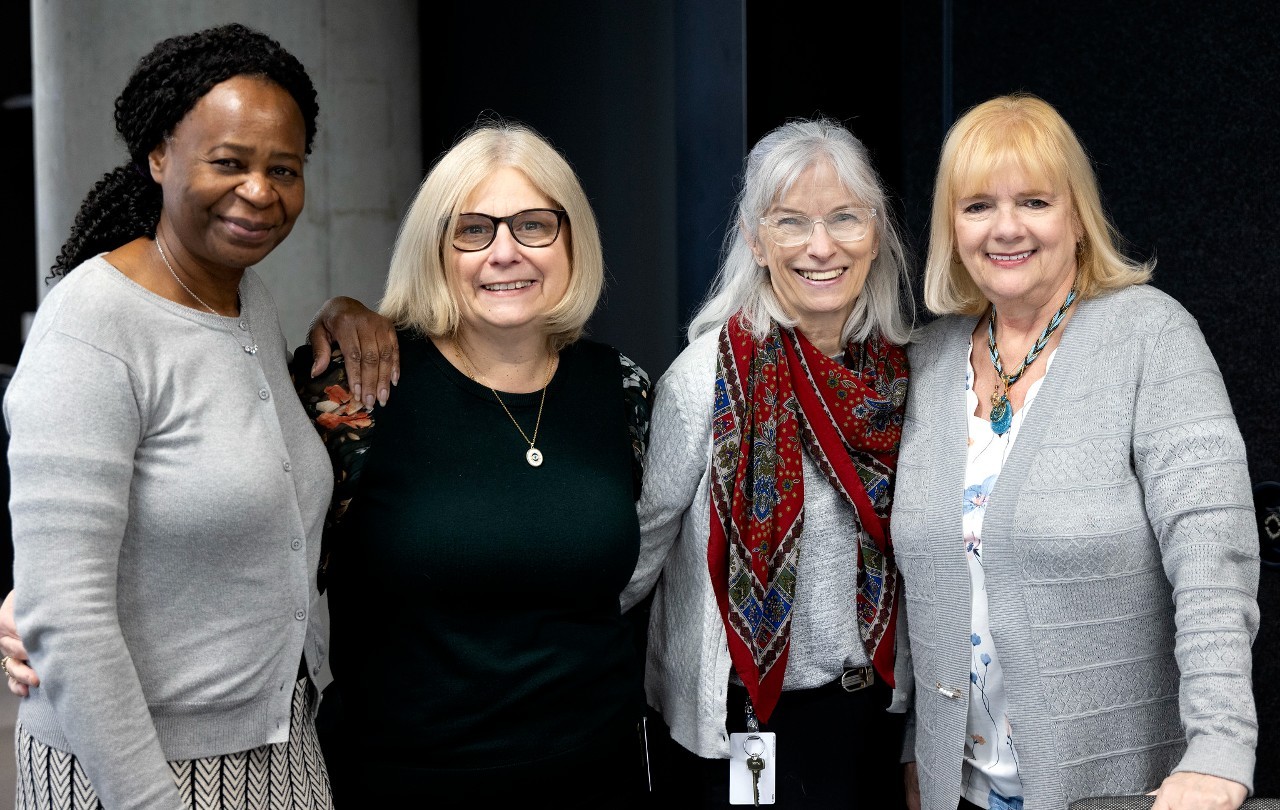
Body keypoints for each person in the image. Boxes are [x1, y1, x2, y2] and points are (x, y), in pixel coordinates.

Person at [0, 23, 388, 809]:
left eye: (284, 169)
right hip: (133, 765)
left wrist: (344, 312)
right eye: (229, 162)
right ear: (158, 156)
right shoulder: (92, 325)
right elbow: (63, 613)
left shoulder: (249, 300)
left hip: (277, 743)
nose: (261, 191)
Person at [893, 93, 1258, 810]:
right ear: (951, 226)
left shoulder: (1151, 337)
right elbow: (924, 586)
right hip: (954, 792)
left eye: (1033, 201)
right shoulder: (929, 359)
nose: (1006, 228)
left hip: (1114, 790)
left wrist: (1219, 749)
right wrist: (917, 750)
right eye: (977, 206)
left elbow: (1214, 560)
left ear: (1077, 218)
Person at [290, 118, 652, 806]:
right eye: (473, 229)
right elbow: (233, 534)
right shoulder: (357, 393)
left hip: (599, 777)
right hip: (405, 782)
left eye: (533, 226)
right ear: (437, 248)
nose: (504, 252)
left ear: (572, 239)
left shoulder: (624, 388)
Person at [619, 117, 914, 807]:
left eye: (845, 217)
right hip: (744, 723)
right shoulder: (706, 379)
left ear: (875, 233)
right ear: (755, 239)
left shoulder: (905, 377)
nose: (821, 246)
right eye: (791, 222)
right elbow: (640, 553)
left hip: (874, 717)